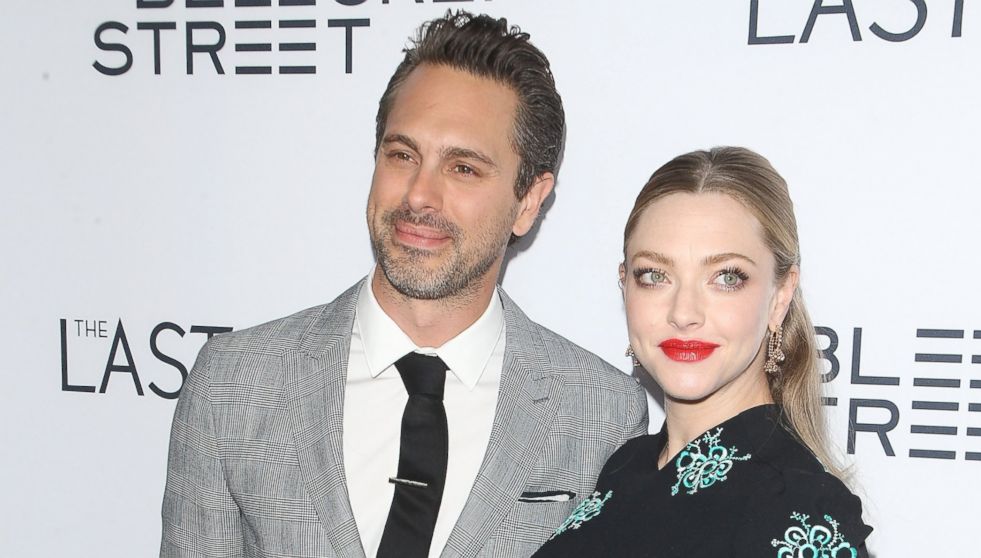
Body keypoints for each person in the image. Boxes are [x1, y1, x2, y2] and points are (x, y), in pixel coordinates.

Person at [159, 11, 647, 558]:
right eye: (402, 155)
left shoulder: (600, 411)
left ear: (528, 200)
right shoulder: (235, 383)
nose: (419, 195)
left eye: (463, 168)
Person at [533, 147, 872, 556]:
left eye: (726, 277)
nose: (684, 313)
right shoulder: (627, 465)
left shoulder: (806, 511)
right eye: (655, 275)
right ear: (625, 285)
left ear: (780, 295)